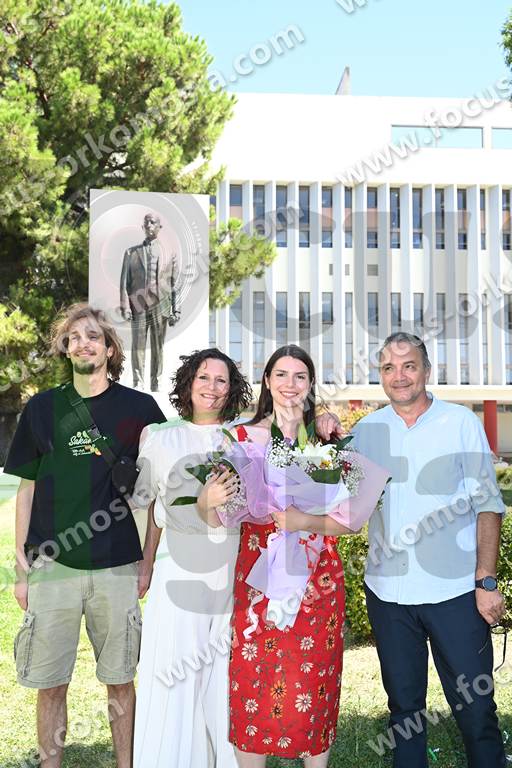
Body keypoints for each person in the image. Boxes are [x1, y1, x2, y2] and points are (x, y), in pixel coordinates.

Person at [132, 348, 343, 768]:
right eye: (203, 378)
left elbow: (346, 509)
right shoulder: (199, 438)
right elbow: (153, 506)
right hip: (210, 570)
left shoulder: (263, 435)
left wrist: (325, 422)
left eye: (221, 380)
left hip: (267, 572)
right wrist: (148, 560)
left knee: (237, 678)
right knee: (192, 675)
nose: (212, 388)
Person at [6, 303, 166, 768]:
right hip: (53, 566)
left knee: (120, 680)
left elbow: (160, 487)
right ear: (65, 348)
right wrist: (21, 567)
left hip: (117, 566)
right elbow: (26, 489)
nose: (83, 344)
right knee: (50, 683)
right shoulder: (41, 408)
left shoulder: (140, 410)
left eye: (93, 336)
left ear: (109, 348)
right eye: (74, 338)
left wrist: (147, 561)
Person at [352, 332, 506, 768]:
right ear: (380, 375)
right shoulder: (366, 431)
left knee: (475, 709)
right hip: (388, 594)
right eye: (389, 368)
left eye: (409, 366)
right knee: (404, 712)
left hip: (454, 593)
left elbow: (488, 504)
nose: (399, 376)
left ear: (426, 371)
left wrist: (486, 581)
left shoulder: (460, 423)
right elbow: (345, 505)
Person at [228, 345, 353, 768]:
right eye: (281, 375)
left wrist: (303, 521)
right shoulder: (242, 439)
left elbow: (351, 519)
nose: (290, 384)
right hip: (260, 575)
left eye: (300, 376)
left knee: (313, 676)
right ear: (267, 381)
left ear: (311, 383)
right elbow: (225, 510)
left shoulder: (328, 439)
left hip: (318, 576)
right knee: (254, 675)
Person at [120, 212, 179, 392]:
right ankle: (138, 382)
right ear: (142, 226)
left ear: (160, 227)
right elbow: (124, 283)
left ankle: (156, 382)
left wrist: (176, 310)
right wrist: (125, 307)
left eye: (152, 222)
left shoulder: (170, 254)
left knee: (158, 346)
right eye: (146, 222)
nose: (148, 225)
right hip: (138, 306)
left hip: (161, 306)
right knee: (137, 345)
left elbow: (174, 284)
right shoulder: (131, 253)